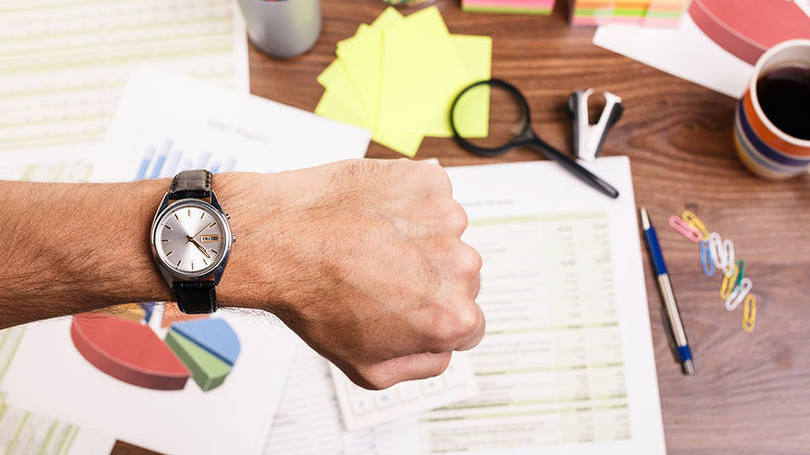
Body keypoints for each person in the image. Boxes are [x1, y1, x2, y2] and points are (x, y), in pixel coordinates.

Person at [0, 158, 485, 390]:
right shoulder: (203, 238)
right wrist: (277, 250)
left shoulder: (208, 229)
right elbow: (180, 241)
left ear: (222, 229)